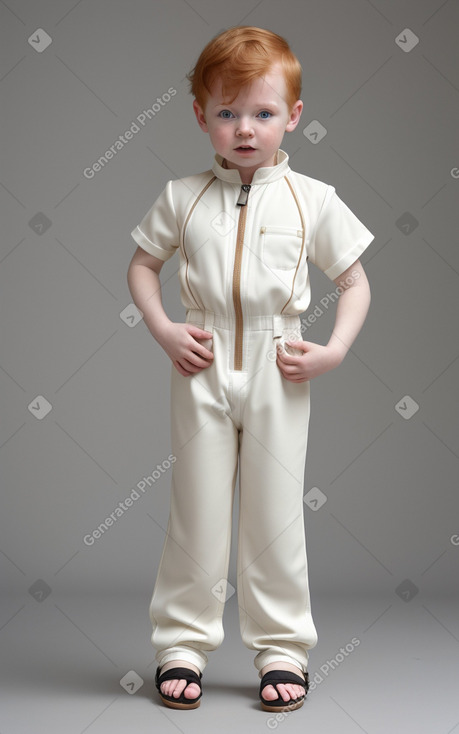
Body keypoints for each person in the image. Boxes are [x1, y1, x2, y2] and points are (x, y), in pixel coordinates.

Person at [127, 25, 374, 713]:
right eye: (227, 112)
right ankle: (181, 643)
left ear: (292, 117)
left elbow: (354, 283)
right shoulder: (182, 195)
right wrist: (164, 330)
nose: (244, 129)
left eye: (262, 113)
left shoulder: (311, 198)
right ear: (201, 116)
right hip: (200, 363)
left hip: (278, 365)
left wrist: (332, 350)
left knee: (274, 515)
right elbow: (143, 266)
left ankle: (281, 649)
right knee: (196, 510)